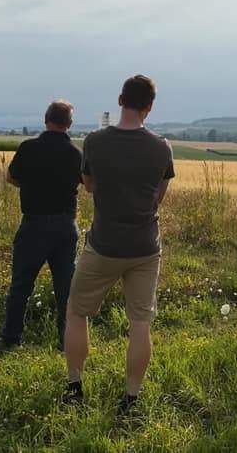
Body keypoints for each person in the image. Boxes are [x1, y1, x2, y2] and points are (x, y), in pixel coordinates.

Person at [62, 74, 174, 414]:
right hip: (145, 246)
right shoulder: (161, 147)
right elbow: (159, 196)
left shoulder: (95, 141)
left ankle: (75, 386)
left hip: (104, 243)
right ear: (150, 107)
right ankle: (131, 397)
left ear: (120, 100)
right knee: (140, 323)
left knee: (77, 311)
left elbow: (89, 186)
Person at [0, 100, 82, 351]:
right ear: (69, 124)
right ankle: (66, 341)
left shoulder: (28, 147)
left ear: (46, 119)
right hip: (65, 226)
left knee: (21, 285)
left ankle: (11, 338)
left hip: (33, 225)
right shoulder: (76, 153)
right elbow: (86, 183)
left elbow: (12, 177)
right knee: (65, 289)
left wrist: (32, 186)